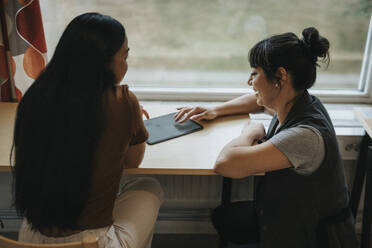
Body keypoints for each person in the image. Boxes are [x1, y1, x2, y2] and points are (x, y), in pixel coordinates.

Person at [175, 27, 358, 248]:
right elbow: (257, 101)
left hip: (314, 239)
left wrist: (249, 133)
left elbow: (226, 164)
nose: (249, 82)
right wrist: (216, 110)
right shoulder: (300, 103)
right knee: (224, 217)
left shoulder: (305, 137)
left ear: (280, 76)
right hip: (290, 217)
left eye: (254, 73)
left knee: (227, 219)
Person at [12, 13, 163, 248]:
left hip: (31, 239)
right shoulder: (122, 101)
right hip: (92, 243)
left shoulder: (35, 97)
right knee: (149, 186)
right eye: (124, 56)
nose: (125, 64)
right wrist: (130, 119)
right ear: (104, 62)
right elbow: (133, 161)